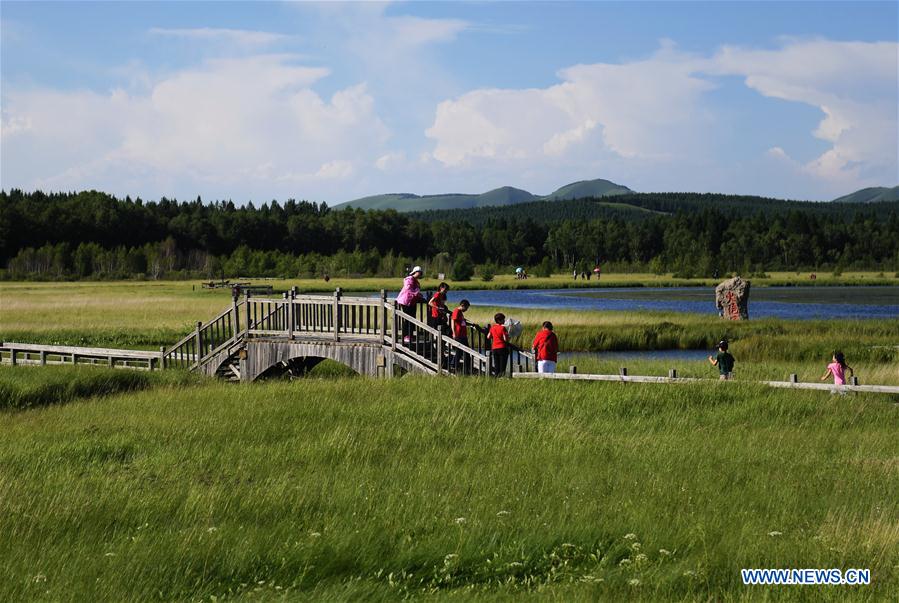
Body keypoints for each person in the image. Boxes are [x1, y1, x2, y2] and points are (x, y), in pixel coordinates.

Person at [396, 266, 425, 344]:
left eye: (421, 273)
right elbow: (408, 289)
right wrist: (417, 293)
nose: (420, 274)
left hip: (412, 302)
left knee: (412, 319)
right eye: (419, 272)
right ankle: (405, 336)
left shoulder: (416, 281)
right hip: (406, 301)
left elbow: (415, 291)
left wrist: (419, 296)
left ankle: (410, 336)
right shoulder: (409, 279)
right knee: (407, 318)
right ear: (415, 272)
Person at [450, 299, 471, 374]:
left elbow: (462, 322)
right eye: (466, 308)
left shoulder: (460, 313)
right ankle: (453, 366)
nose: (466, 310)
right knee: (462, 351)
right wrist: (454, 334)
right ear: (462, 305)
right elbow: (453, 321)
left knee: (463, 352)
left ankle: (465, 368)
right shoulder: (457, 311)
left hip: (463, 335)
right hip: (459, 335)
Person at [487, 312, 509, 377]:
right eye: (503, 319)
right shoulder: (503, 328)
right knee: (502, 365)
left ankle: (496, 377)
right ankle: (501, 378)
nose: (504, 321)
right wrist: (508, 337)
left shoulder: (492, 327)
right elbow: (505, 339)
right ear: (499, 320)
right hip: (502, 348)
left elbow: (488, 336)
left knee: (496, 365)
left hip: (494, 348)